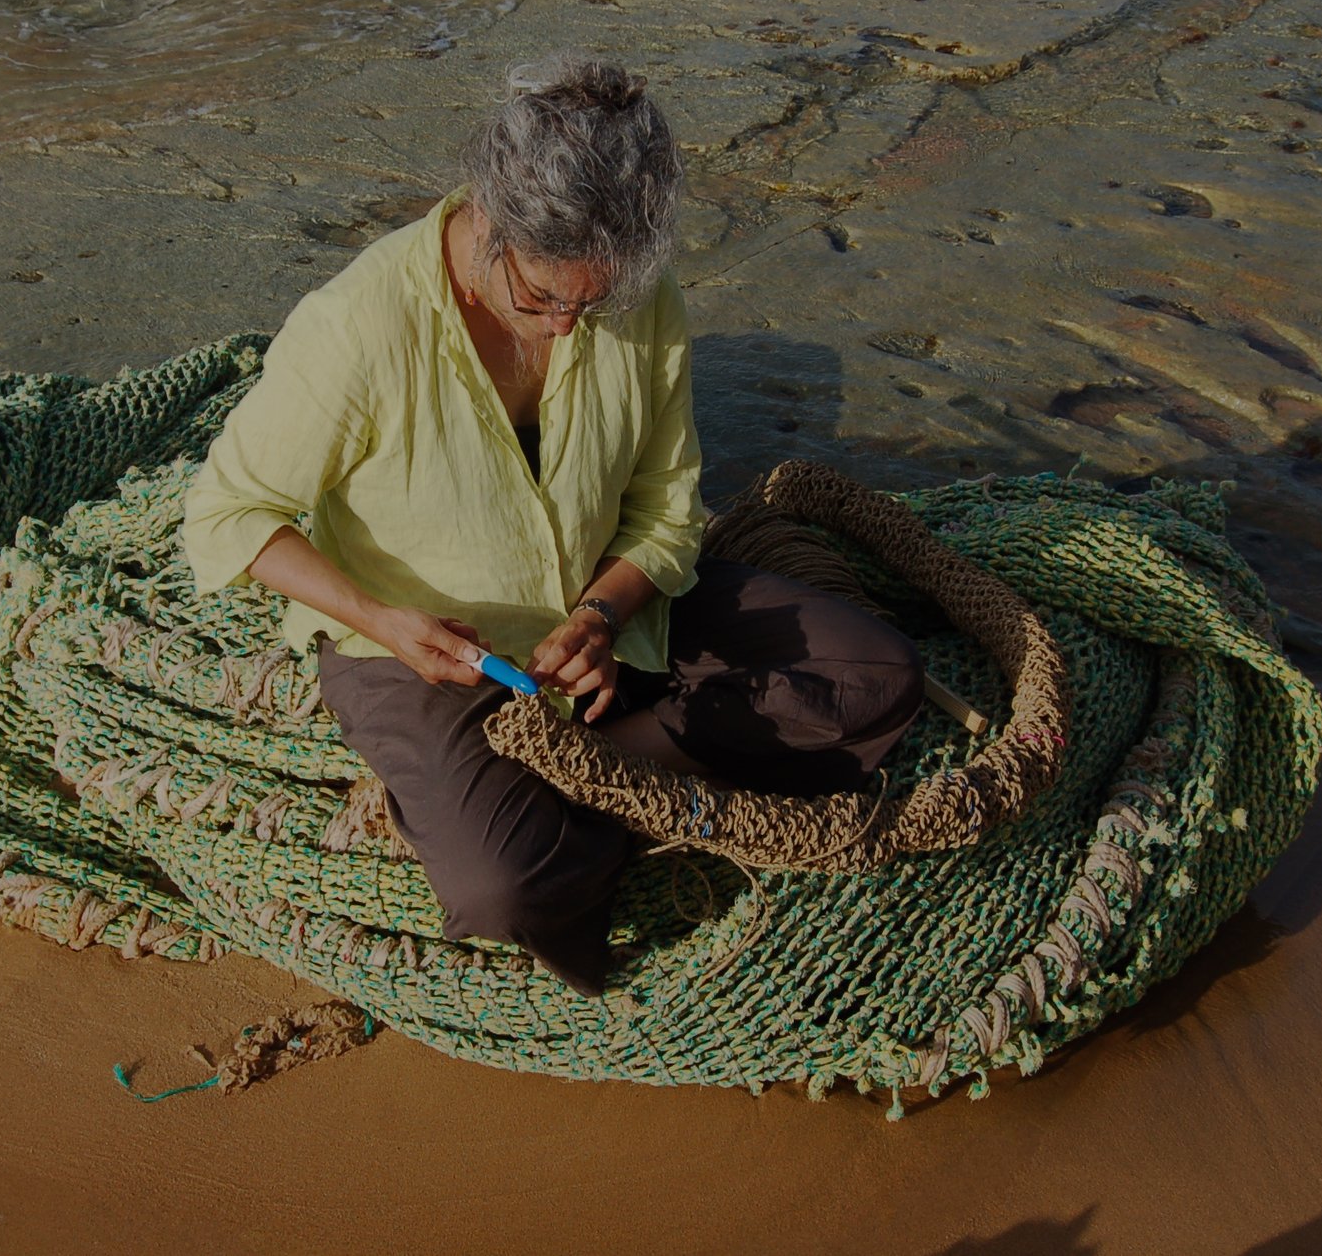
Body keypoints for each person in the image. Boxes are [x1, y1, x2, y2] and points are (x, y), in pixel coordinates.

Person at [180, 55, 924, 995]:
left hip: (608, 619)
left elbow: (663, 509)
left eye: (594, 301)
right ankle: (595, 788)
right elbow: (223, 514)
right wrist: (383, 621)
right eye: (541, 298)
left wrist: (604, 616)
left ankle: (586, 772)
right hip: (438, 655)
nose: (571, 326)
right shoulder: (356, 330)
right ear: (487, 224)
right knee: (498, 893)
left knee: (877, 677)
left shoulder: (631, 295)